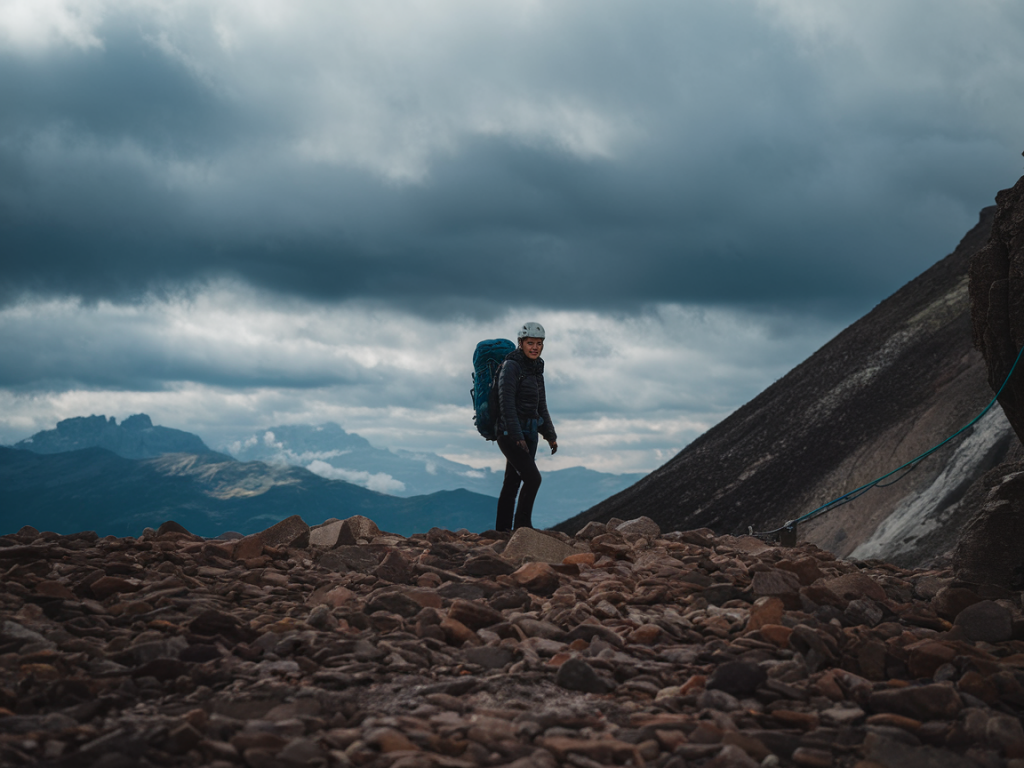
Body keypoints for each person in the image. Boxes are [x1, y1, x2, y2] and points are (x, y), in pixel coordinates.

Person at [494, 321, 558, 531]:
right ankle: (523, 527)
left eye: (539, 343)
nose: (535, 347)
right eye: (530, 343)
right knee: (533, 479)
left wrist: (550, 434)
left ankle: (502, 531)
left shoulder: (536, 368)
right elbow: (506, 404)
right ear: (520, 343)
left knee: (512, 483)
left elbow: (541, 404)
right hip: (509, 433)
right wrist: (515, 435)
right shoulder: (511, 366)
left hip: (530, 433)